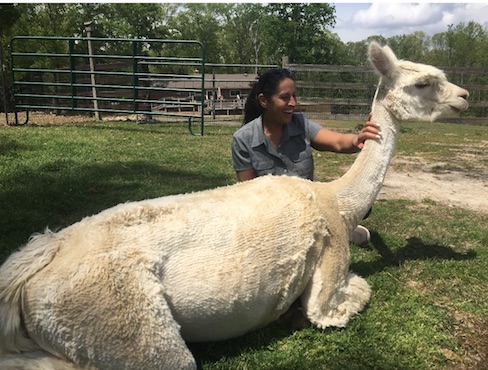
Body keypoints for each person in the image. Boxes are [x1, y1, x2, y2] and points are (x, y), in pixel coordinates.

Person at [231, 68, 381, 246]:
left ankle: (336, 231)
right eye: (285, 97)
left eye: (294, 96)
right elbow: (248, 195)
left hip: (308, 208)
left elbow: (339, 142)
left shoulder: (302, 124)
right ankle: (343, 232)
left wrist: (358, 138)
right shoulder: (242, 140)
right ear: (264, 100)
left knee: (356, 201)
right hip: (271, 216)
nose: (293, 103)